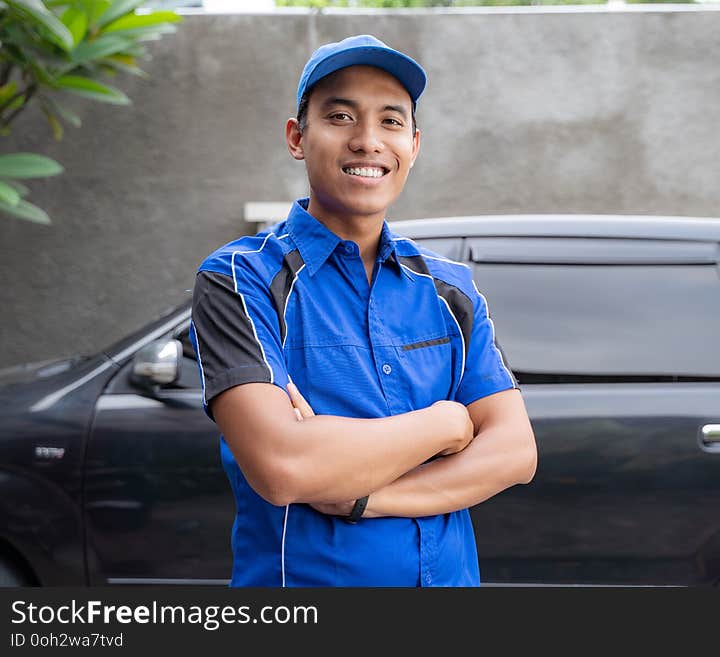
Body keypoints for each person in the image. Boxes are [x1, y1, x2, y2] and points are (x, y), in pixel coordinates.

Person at [189, 34, 537, 587]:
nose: (367, 141)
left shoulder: (450, 289)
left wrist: (364, 498)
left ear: (414, 145)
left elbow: (514, 452)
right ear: (297, 138)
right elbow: (284, 468)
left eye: (391, 122)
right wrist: (447, 423)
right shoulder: (242, 278)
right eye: (342, 116)